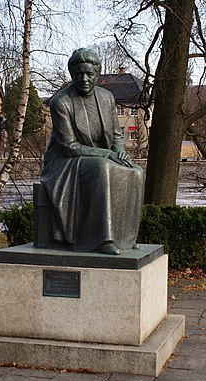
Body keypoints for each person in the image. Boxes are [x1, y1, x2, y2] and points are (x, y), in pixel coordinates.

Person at [40, 48, 144, 255]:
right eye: (79, 74)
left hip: (99, 156)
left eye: (90, 74)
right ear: (72, 75)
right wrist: (108, 155)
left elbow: (115, 134)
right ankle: (102, 240)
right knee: (103, 167)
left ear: (97, 75)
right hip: (65, 162)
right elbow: (69, 146)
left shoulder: (106, 98)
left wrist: (120, 151)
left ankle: (126, 237)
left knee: (137, 173)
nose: (84, 79)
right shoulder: (61, 102)